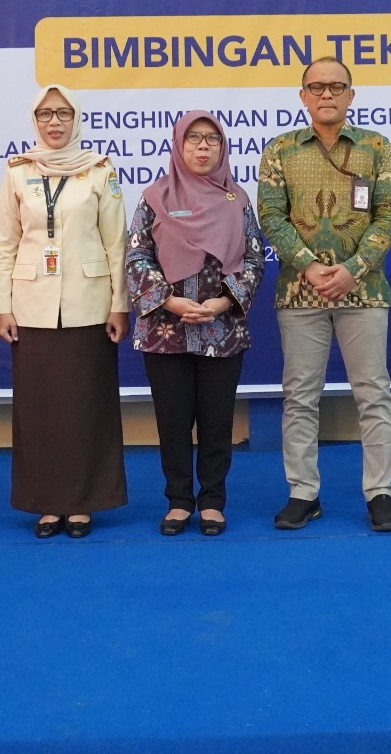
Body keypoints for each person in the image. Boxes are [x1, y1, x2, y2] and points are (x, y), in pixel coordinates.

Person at [257, 57, 391, 532]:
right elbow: (271, 216)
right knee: (300, 397)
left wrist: (353, 269)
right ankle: (303, 492)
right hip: (301, 293)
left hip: (364, 291)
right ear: (303, 96)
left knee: (373, 394)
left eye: (336, 87)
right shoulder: (280, 149)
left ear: (350, 95)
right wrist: (309, 266)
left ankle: (380, 493)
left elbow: (388, 215)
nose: (326, 95)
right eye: (316, 87)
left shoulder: (375, 147)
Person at [0, 84, 129, 539]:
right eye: (46, 114)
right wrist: (3, 307)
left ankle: (84, 501)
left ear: (77, 119)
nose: (55, 122)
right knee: (40, 410)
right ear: (35, 120)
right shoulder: (18, 171)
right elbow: (5, 245)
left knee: (87, 406)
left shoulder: (99, 169)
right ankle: (47, 502)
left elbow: (116, 243)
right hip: (31, 308)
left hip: (90, 306)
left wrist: (119, 304)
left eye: (63, 113)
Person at [126, 111, 266, 537]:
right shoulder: (154, 197)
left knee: (217, 421)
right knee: (172, 422)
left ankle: (212, 501)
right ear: (178, 145)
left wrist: (223, 302)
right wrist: (169, 300)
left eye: (212, 139)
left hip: (221, 331)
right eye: (193, 138)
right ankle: (178, 500)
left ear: (223, 147)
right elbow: (137, 256)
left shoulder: (237, 200)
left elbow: (254, 258)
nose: (203, 147)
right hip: (165, 330)